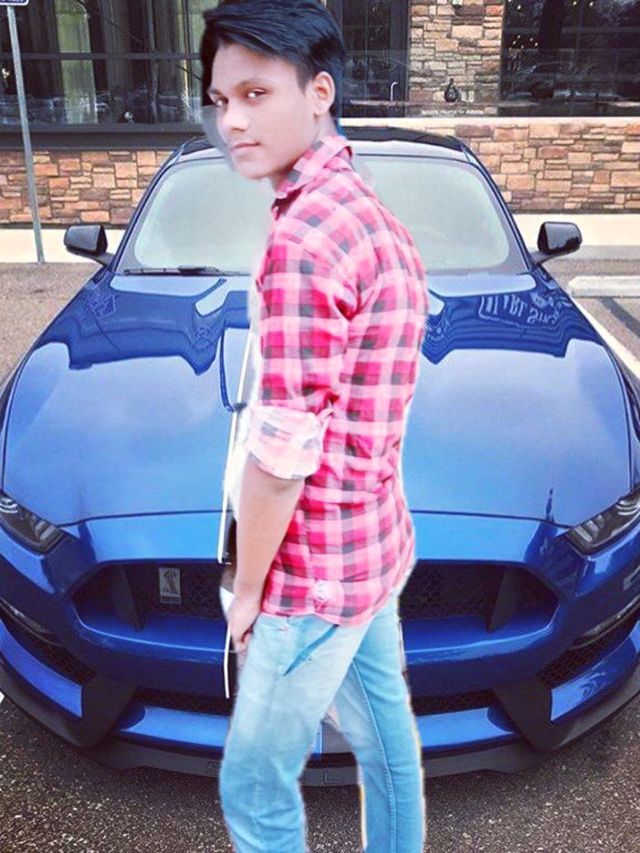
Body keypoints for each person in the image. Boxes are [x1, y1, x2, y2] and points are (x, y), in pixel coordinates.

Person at [199, 2, 429, 850]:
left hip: (313, 579)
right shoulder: (361, 207)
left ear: (320, 92)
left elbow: (283, 451)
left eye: (255, 94)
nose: (232, 120)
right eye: (220, 99)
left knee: (254, 785)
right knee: (386, 741)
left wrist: (249, 592)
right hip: (369, 549)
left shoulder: (304, 237)